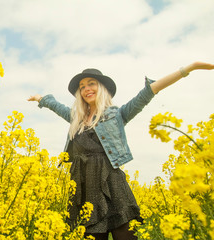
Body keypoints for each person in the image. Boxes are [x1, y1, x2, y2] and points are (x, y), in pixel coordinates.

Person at [27, 62, 214, 240]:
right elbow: (54, 105)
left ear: (102, 88)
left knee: (125, 235)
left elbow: (150, 91)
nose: (86, 89)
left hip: (112, 184)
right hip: (83, 186)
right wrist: (40, 99)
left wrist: (189, 67)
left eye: (91, 84)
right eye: (82, 86)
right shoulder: (75, 118)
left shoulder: (116, 115)